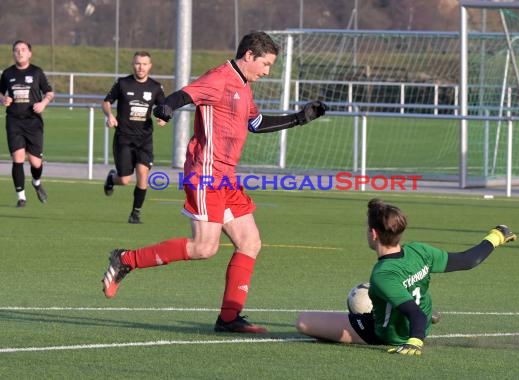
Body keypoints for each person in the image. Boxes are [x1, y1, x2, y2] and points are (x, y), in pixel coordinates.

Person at [101, 31, 327, 333]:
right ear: (249, 56)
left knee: (250, 242)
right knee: (205, 247)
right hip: (205, 173)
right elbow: (185, 94)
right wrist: (166, 106)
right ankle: (126, 259)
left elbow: (256, 124)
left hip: (226, 177)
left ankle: (229, 317)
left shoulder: (244, 87)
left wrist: (300, 118)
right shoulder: (219, 77)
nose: (267, 71)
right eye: (266, 64)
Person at [296, 198, 517, 355]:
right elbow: (468, 260)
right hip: (420, 315)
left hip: (388, 333)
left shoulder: (383, 275)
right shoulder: (419, 250)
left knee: (304, 322)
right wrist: (496, 237)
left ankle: (391, 317)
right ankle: (424, 310)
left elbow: (416, 315)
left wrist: (414, 341)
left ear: (373, 234)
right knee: (400, 301)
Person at [102, 51, 166, 224]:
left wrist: (163, 117)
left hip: (144, 139)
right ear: (133, 64)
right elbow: (106, 101)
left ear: (150, 66)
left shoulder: (155, 87)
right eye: (138, 63)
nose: (141, 67)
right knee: (124, 180)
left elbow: (163, 107)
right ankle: (112, 179)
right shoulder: (123, 83)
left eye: (144, 64)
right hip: (124, 137)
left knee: (143, 173)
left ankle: (135, 213)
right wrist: (110, 115)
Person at [0, 40, 54, 208]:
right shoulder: (7, 74)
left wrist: (43, 103)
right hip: (14, 121)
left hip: (33, 122)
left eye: (23, 50)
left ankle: (36, 182)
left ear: (29, 53)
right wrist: (3, 99)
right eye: (16, 50)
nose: (20, 52)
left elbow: (50, 92)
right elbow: (0, 92)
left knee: (36, 163)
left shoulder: (36, 72)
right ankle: (21, 197)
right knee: (17, 158)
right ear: (13, 53)